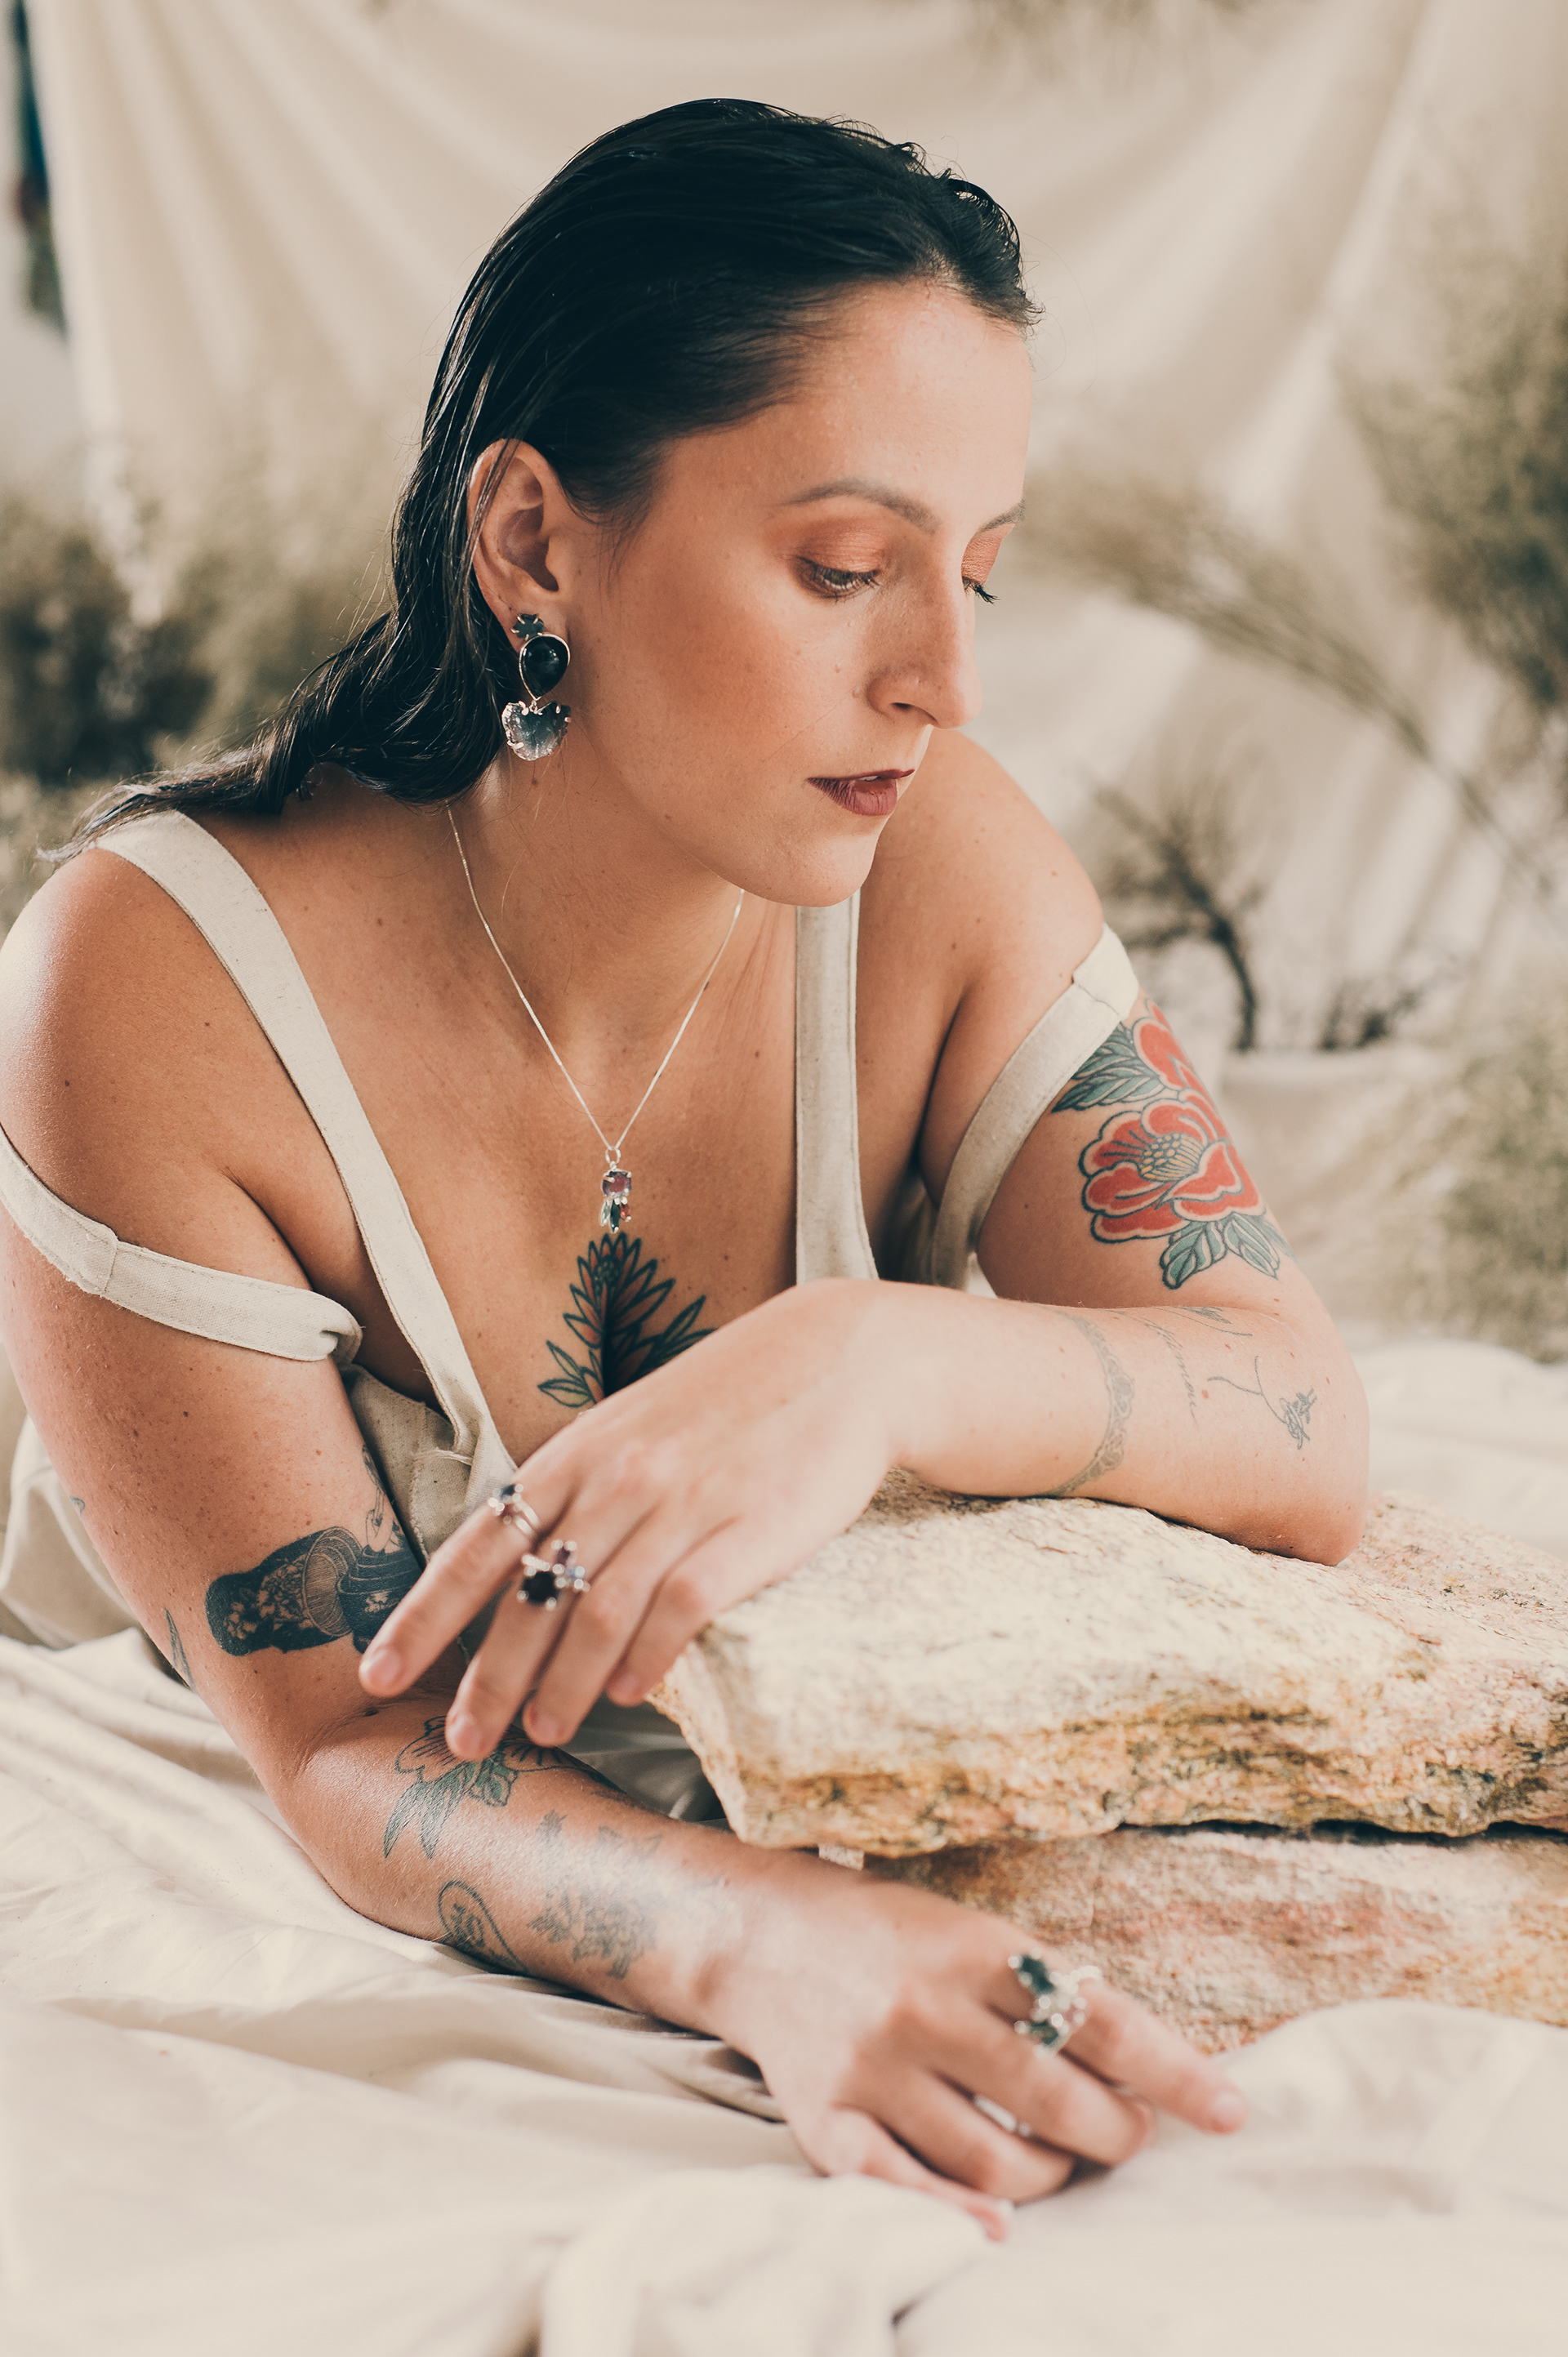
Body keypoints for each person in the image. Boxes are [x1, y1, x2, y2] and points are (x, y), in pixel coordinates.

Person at [0, 100, 1365, 2235]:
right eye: (845, 569)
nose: (945, 677)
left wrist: (874, 1359)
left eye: (979, 572)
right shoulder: (152, 982)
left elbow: (1300, 1413)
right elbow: (344, 1747)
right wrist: (770, 1944)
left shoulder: (933, 860)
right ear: (535, 542)